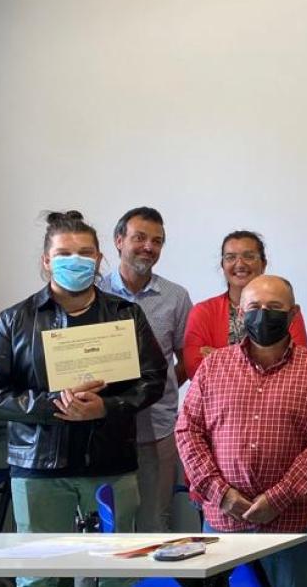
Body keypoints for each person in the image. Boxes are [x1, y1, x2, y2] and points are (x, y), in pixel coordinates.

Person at [0, 211, 166, 587]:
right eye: (63, 253)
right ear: (46, 260)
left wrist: (106, 406)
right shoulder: (15, 319)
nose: (74, 261)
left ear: (99, 259)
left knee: (116, 576)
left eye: (85, 252)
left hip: (111, 463)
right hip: (39, 468)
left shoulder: (125, 314)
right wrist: (50, 406)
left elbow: (154, 379)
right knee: (39, 577)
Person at [176, 274, 307, 587]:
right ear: (241, 313)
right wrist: (220, 493)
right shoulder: (213, 367)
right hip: (223, 519)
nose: (263, 314)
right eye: (254, 306)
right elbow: (187, 431)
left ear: (293, 314)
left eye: (275, 307)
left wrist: (279, 497)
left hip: (288, 522)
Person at [100, 206, 193, 533]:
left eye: (157, 241)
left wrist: (156, 389)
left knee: (156, 520)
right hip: (103, 429)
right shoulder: (95, 294)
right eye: (140, 238)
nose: (148, 247)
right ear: (119, 241)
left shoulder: (176, 297)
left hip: (158, 427)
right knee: (108, 526)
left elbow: (186, 359)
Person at [183, 230, 307, 379]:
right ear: (222, 265)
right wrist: (265, 364)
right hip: (218, 402)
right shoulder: (203, 312)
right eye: (230, 257)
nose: (240, 264)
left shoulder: (283, 310)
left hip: (277, 401)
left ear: (263, 264)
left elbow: (298, 367)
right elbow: (195, 370)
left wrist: (217, 357)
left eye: (249, 256)